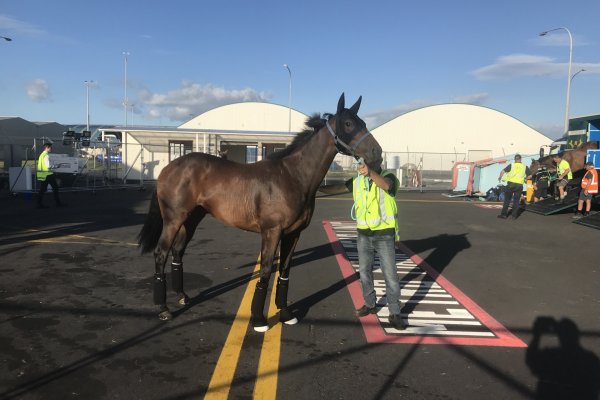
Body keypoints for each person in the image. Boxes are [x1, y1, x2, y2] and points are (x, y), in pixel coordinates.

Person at [346, 160, 406, 330]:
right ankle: (370, 304)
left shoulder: (388, 176)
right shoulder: (357, 180)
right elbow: (338, 187)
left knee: (390, 275)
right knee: (364, 272)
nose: (363, 165)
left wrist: (370, 173)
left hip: (383, 233)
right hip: (363, 233)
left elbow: (387, 186)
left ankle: (394, 313)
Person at [497, 154, 531, 219]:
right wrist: (525, 179)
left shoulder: (511, 165)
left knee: (507, 200)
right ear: (520, 159)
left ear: (515, 159)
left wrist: (500, 177)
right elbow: (530, 176)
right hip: (519, 185)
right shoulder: (524, 166)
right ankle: (514, 216)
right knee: (516, 201)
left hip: (510, 185)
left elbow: (502, 171)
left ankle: (504, 215)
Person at [36, 142, 65, 208]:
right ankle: (58, 203)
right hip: (48, 174)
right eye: (50, 147)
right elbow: (48, 166)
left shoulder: (42, 155)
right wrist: (56, 166)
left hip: (43, 174)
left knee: (42, 190)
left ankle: (39, 204)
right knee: (55, 188)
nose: (51, 148)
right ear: (47, 148)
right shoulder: (46, 155)